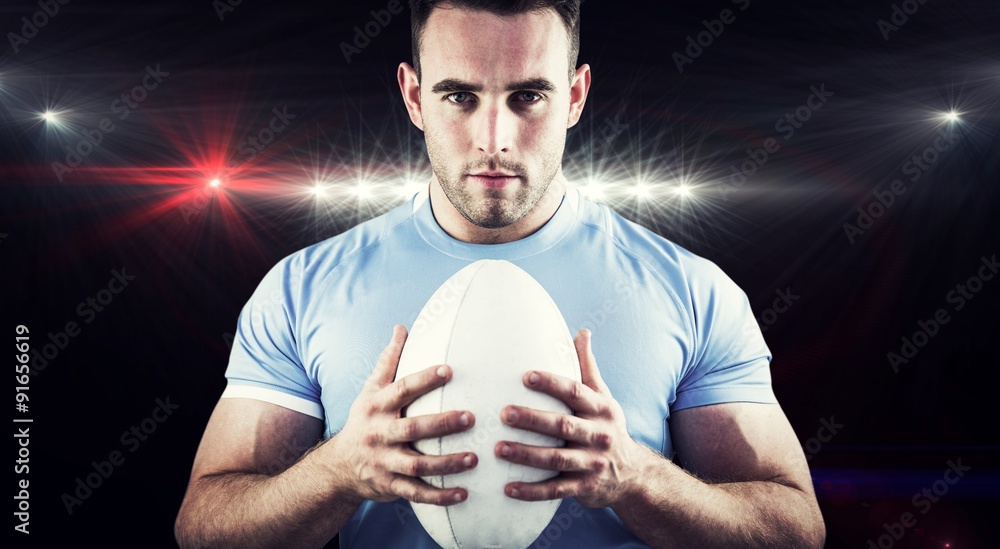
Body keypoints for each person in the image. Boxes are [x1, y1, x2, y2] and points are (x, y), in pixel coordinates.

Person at [174, 1, 826, 547]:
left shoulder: (692, 290)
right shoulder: (302, 288)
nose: (495, 137)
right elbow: (203, 526)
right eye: (459, 95)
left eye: (528, 96)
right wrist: (339, 470)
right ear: (413, 96)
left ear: (574, 95)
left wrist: (637, 476)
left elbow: (796, 529)